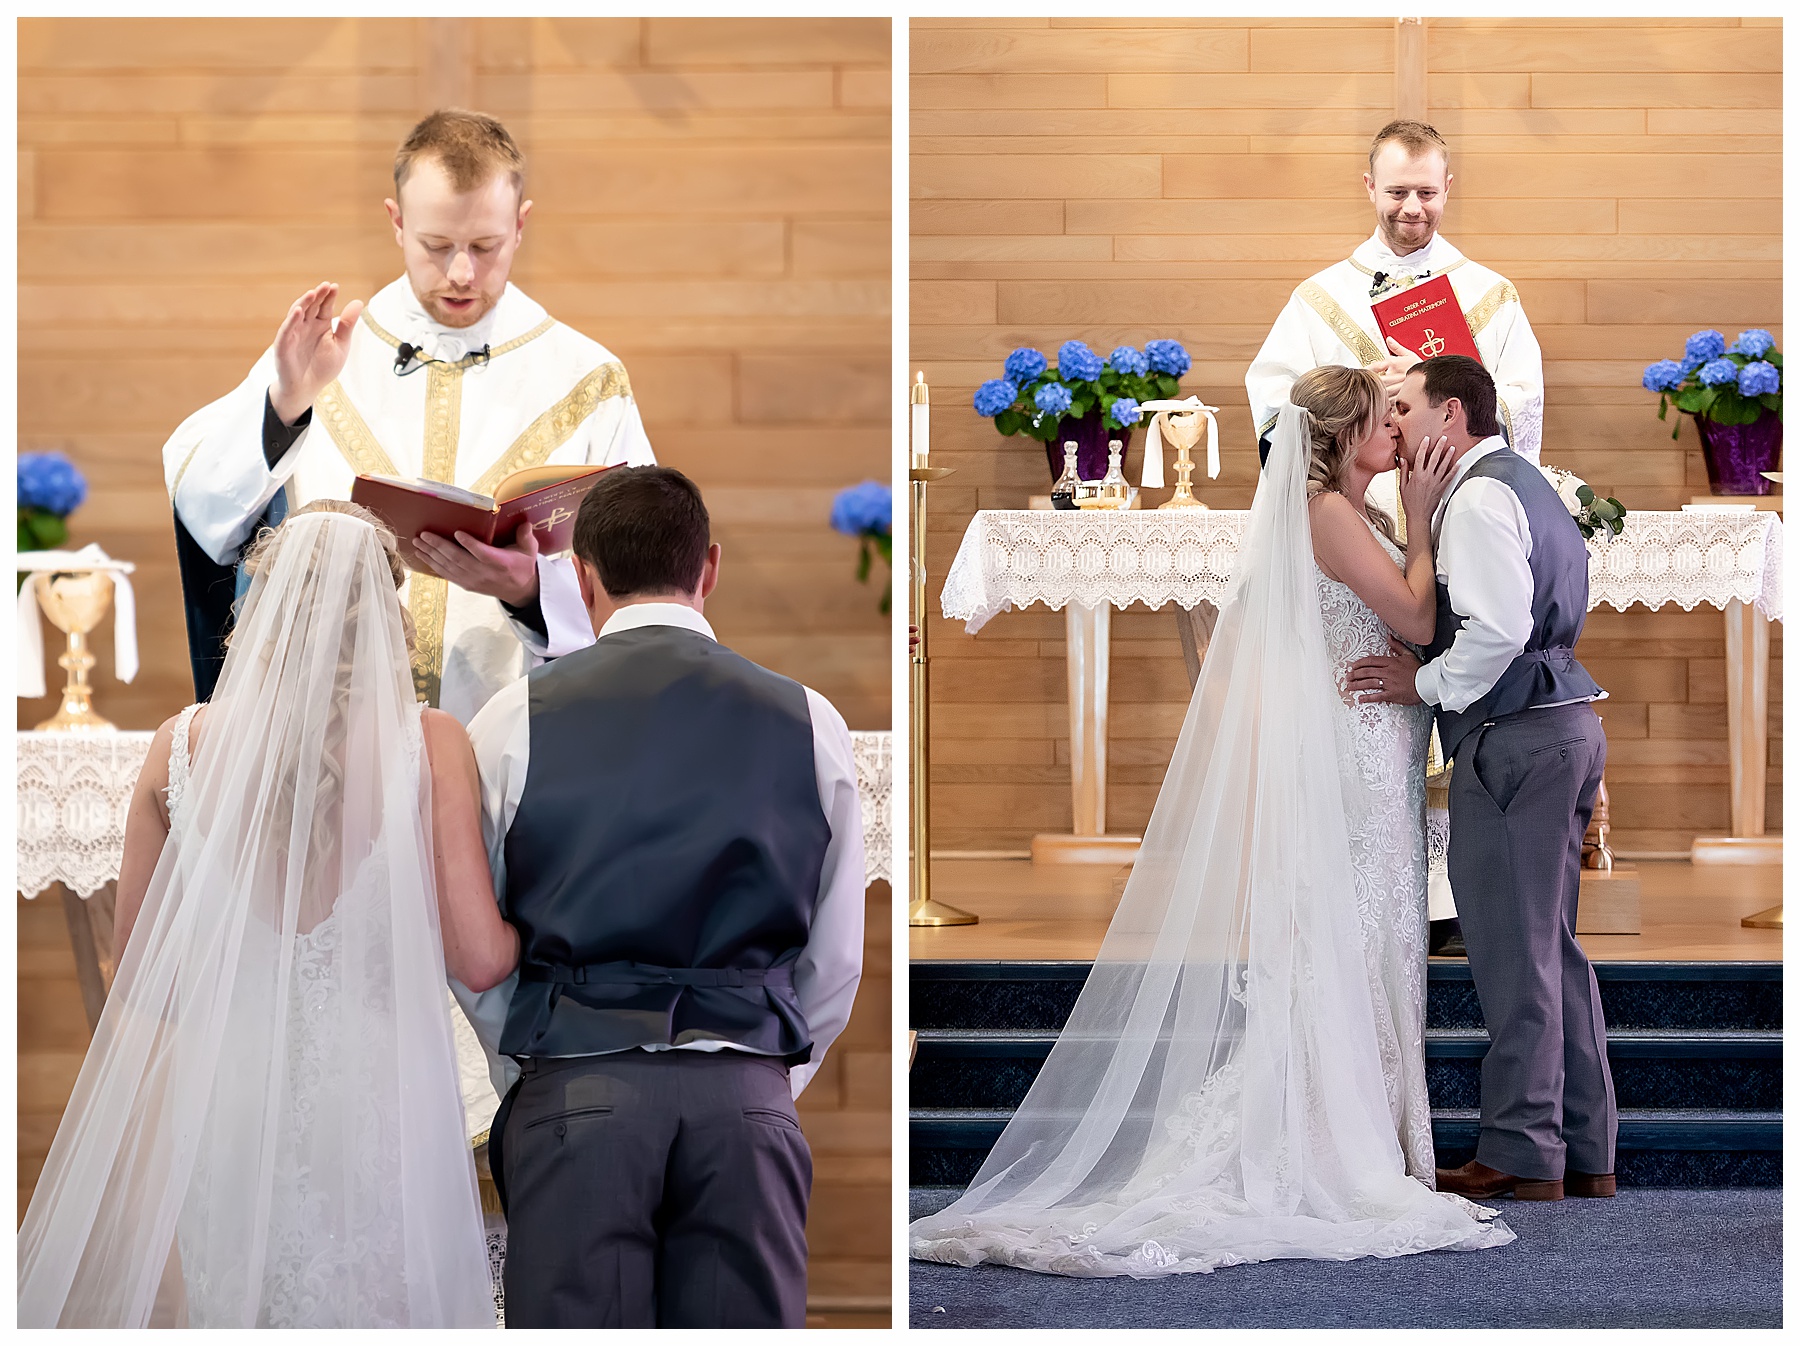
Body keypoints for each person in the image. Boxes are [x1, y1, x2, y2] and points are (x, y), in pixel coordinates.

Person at [909, 367, 1514, 1279]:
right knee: (1348, 941)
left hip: (1378, 748)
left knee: (1376, 939)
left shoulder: (1356, 512)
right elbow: (1418, 612)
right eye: (1383, 419)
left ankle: (1372, 1134)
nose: (1398, 430)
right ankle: (1331, 1141)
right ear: (1347, 436)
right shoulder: (1329, 516)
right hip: (1351, 756)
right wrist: (1425, 521)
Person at [18, 502, 519, 1327]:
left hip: (231, 1112)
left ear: (261, 610)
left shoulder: (179, 745)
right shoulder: (430, 745)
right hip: (379, 1112)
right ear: (386, 617)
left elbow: (142, 983)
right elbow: (478, 958)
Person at [457, 466, 865, 1327]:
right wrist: (763, 1078)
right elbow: (835, 959)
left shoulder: (511, 717)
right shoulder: (809, 718)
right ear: (708, 567)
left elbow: (471, 944)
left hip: (575, 1085)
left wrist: (529, 1066)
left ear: (583, 578)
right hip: (747, 1097)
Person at [163, 109, 655, 721]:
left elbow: (643, 590)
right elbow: (205, 509)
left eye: (485, 246)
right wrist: (285, 405)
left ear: (521, 225)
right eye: (437, 245)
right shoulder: (323, 358)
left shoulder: (589, 380)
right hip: (338, 738)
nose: (460, 273)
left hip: (517, 738)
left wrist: (530, 594)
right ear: (396, 223)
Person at [1348, 355, 1615, 1203]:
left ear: (1451, 414)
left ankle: (1522, 1151)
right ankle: (1585, 1148)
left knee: (1512, 956)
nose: (1396, 426)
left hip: (1515, 739)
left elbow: (1496, 628)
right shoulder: (1525, 482)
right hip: (1564, 725)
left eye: (1406, 408)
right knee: (1554, 952)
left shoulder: (1479, 495)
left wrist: (1419, 683)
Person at [1247, 119, 1545, 468]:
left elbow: (1524, 403)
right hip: (1355, 503)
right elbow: (1274, 400)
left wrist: (1433, 388)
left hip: (1462, 498)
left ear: (1447, 188)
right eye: (1397, 192)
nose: (1413, 208)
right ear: (1370, 186)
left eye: (1427, 193)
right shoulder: (1318, 298)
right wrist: (1356, 398)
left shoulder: (1492, 294)